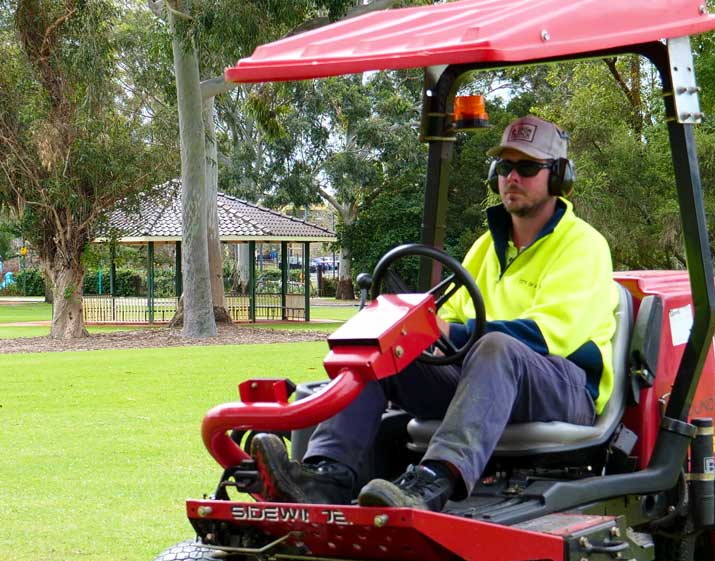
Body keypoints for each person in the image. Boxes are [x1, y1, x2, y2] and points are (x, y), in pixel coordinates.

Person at [250, 115, 617, 512]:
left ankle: (433, 480)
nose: (513, 177)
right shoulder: (484, 248)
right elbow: (452, 316)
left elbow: (549, 335)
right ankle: (325, 476)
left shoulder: (583, 246)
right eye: (505, 167)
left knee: (497, 347)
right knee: (385, 348)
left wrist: (453, 335)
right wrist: (418, 336)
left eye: (527, 168)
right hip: (485, 381)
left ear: (559, 176)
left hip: (564, 385)